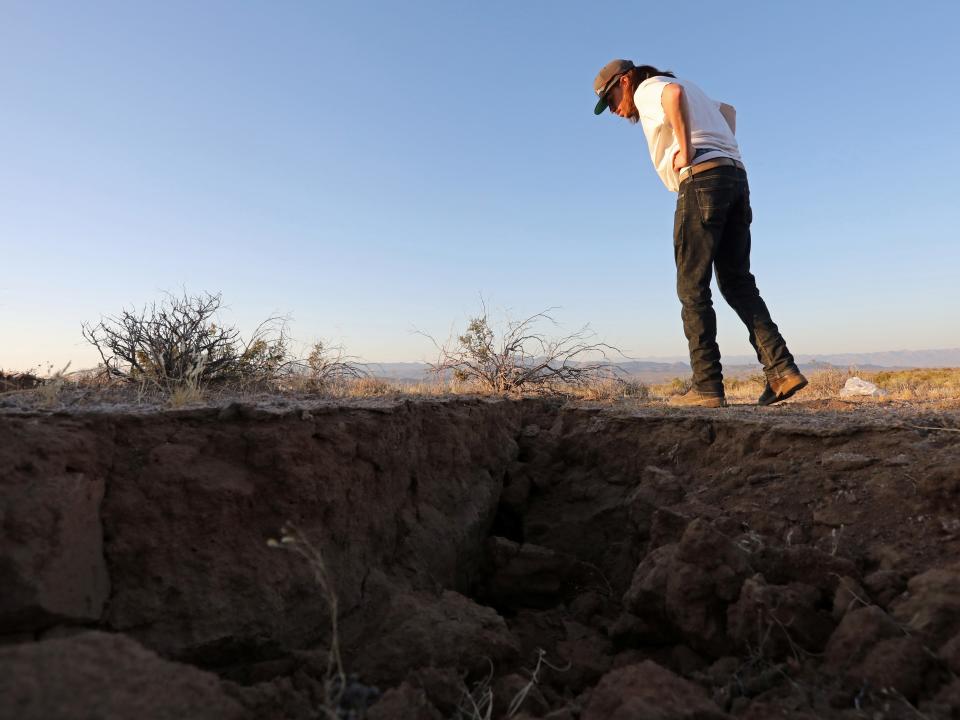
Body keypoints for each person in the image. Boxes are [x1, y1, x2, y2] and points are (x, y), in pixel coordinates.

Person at [592, 59, 807, 408]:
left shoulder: (649, 88)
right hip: (734, 177)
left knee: (692, 285)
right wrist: (721, 148)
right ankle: (781, 371)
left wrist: (688, 149)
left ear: (626, 81)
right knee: (737, 282)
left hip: (701, 180)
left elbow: (672, 94)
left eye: (612, 98)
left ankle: (706, 386)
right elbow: (728, 111)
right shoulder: (696, 90)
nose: (615, 109)